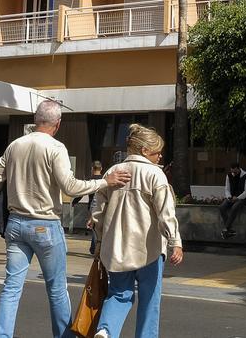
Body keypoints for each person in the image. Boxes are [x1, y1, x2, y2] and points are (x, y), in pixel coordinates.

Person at [0, 100, 131, 338]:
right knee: (56, 289)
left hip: (15, 223)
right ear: (58, 124)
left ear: (36, 120)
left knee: (11, 287)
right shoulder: (56, 148)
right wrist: (106, 181)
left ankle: (3, 335)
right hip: (45, 224)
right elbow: (71, 186)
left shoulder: (15, 145)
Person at [91, 124, 183, 338]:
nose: (160, 156)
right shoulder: (155, 175)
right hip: (148, 249)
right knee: (150, 300)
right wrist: (175, 242)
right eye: (157, 151)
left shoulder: (112, 172)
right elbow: (165, 213)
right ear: (144, 151)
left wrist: (100, 240)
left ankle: (105, 330)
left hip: (116, 248)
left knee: (118, 294)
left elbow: (97, 212)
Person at [218, 162, 246, 239]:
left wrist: (238, 198)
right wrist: (229, 197)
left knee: (235, 207)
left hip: (244, 198)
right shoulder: (229, 175)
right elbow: (227, 189)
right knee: (222, 207)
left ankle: (226, 229)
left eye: (235, 171)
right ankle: (229, 230)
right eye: (232, 171)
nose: (233, 173)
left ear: (238, 168)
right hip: (232, 197)